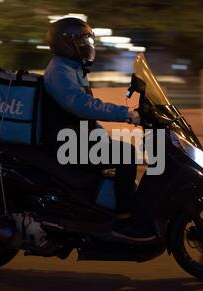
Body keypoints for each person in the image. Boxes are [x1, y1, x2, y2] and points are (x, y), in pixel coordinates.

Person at [43, 17, 155, 241]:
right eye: (82, 41)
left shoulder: (73, 68)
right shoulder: (61, 72)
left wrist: (102, 132)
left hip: (75, 138)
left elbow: (83, 114)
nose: (88, 47)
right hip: (66, 145)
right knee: (126, 155)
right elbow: (82, 106)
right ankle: (124, 221)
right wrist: (125, 114)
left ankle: (108, 208)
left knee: (119, 151)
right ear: (66, 43)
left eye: (88, 42)